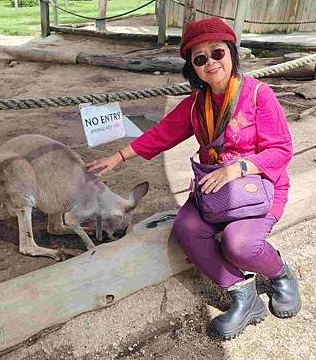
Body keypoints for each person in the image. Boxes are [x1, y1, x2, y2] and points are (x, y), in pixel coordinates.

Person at [86, 17, 300, 339]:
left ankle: (282, 276)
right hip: (214, 189)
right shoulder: (195, 105)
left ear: (231, 53)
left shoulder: (258, 95)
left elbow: (281, 150)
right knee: (186, 228)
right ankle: (244, 295)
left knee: (238, 244)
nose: (211, 63)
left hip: (258, 187)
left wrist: (237, 168)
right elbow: (161, 134)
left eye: (217, 53)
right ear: (193, 68)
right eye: (200, 59)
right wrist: (116, 158)